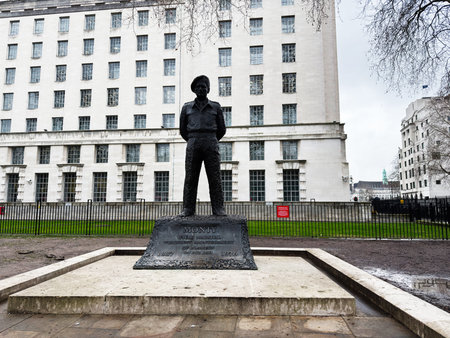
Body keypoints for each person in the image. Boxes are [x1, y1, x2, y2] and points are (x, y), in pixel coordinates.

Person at [179, 75, 227, 216]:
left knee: (215, 177)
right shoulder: (186, 107)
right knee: (190, 177)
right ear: (194, 90)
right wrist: (193, 139)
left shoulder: (216, 107)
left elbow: (222, 129)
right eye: (198, 87)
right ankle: (188, 208)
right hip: (193, 142)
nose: (201, 89)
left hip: (211, 141)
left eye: (203, 87)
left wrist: (211, 139)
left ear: (208, 89)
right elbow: (182, 130)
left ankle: (218, 208)